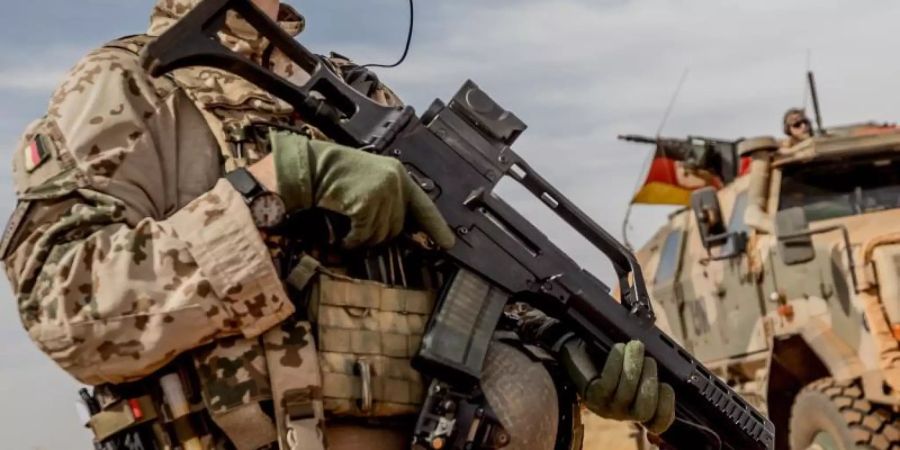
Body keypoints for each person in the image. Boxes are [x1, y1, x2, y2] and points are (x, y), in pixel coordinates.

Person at [1, 0, 674, 448]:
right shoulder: (131, 86)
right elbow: (67, 306)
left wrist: (563, 347)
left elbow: (461, 303)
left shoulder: (362, 98)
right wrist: (270, 190)